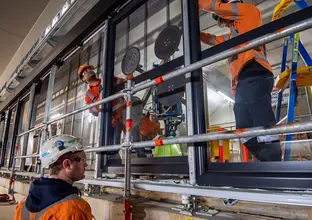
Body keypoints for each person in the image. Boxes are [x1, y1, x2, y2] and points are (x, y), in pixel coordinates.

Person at [198, 0, 282, 161]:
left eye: (221, 19)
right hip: (243, 82)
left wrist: (198, 3)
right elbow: (212, 40)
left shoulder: (249, 12)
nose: (221, 22)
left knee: (262, 124)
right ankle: (269, 161)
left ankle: (274, 164)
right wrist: (193, 33)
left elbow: (217, 7)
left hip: (255, 72)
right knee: (243, 131)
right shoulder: (233, 36)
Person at [13, 135, 93, 220]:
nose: (86, 164)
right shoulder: (75, 209)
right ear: (67, 164)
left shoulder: (23, 204)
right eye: (83, 159)